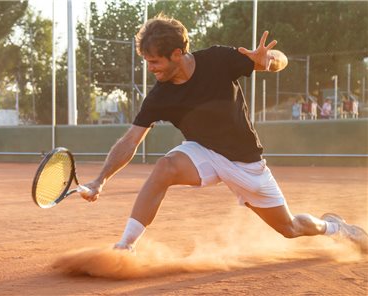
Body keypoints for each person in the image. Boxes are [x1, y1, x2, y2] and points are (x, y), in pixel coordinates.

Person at [79, 13, 367, 254]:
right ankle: (125, 247)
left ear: (177, 54)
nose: (150, 68)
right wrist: (100, 179)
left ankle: (335, 227)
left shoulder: (217, 59)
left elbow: (278, 61)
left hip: (245, 162)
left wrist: (270, 59)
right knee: (164, 167)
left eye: (154, 62)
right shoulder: (159, 96)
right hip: (202, 151)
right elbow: (131, 140)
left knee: (289, 228)